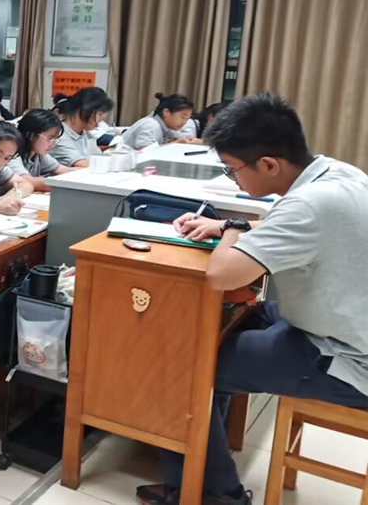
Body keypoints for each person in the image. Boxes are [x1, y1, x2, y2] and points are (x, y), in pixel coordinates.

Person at [136, 94, 368, 505]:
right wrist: (230, 224)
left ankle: (214, 493)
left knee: (185, 370)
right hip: (340, 322)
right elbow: (288, 227)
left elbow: (221, 275)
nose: (232, 180)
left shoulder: (308, 204)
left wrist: (231, 229)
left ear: (268, 165)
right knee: (233, 326)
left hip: (344, 357)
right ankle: (206, 453)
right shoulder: (337, 174)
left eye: (232, 170)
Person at [8, 109, 74, 192]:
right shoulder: (12, 153)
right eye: (50, 138)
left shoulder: (37, 154)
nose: (52, 144)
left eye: (55, 139)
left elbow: (63, 170)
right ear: (31, 135)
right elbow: (27, 181)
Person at [50, 88, 114, 167]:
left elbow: (98, 157)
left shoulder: (86, 134)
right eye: (100, 114)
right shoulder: (58, 135)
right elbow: (83, 164)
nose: (101, 120)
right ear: (85, 110)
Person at [121, 93, 198, 150]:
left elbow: (179, 137)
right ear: (166, 112)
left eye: (187, 119)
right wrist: (175, 144)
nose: (184, 122)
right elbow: (145, 153)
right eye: (183, 117)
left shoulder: (167, 127)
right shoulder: (151, 125)